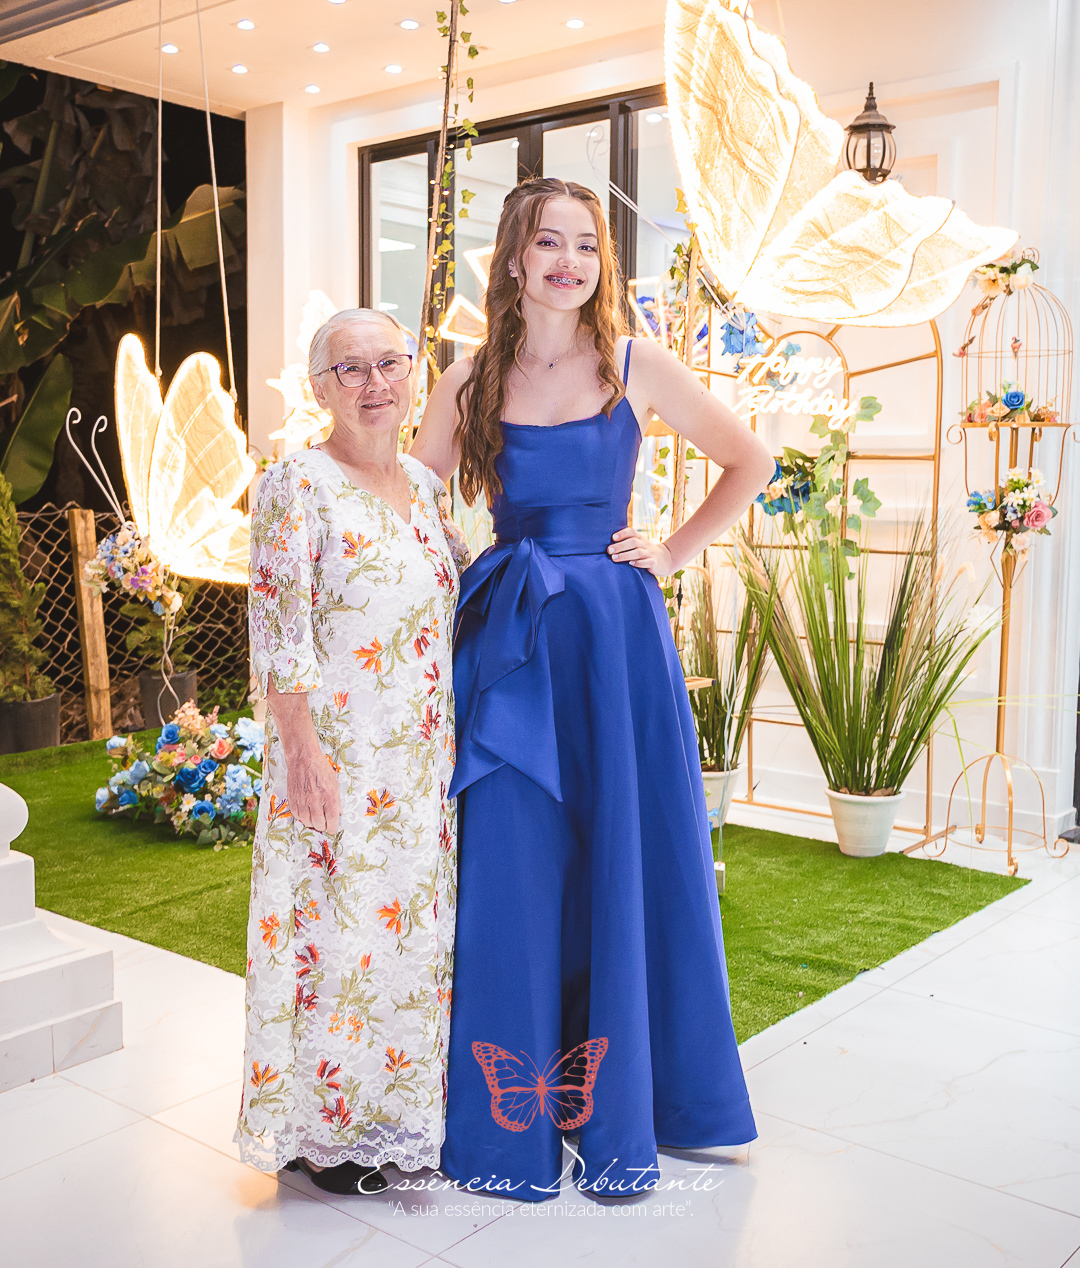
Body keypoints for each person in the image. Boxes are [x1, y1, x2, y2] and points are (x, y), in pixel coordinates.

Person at [411, 177, 774, 1200]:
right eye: (547, 242)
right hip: (513, 640)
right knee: (517, 863)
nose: (568, 260)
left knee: (627, 850)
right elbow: (413, 503)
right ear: (513, 258)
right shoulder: (468, 376)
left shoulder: (634, 362)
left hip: (616, 638)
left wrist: (674, 550)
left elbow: (749, 459)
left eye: (584, 244)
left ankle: (643, 1102)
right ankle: (515, 1117)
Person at [236, 309, 462, 1195]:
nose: (375, 384)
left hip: (420, 764)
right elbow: (278, 630)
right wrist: (302, 752)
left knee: (403, 938)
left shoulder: (427, 486)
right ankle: (324, 1130)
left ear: (413, 373)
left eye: (389, 364)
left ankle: (395, 1115)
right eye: (351, 369)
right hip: (337, 755)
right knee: (332, 938)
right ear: (320, 388)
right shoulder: (296, 484)